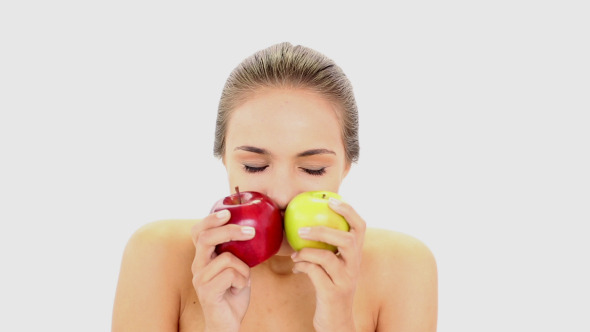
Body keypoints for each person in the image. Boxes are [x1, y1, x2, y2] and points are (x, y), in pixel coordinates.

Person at [111, 42, 438, 332]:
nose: (281, 195)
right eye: (254, 166)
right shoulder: (158, 256)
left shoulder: (403, 269)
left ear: (346, 166)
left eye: (313, 169)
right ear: (224, 159)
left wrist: (338, 323)